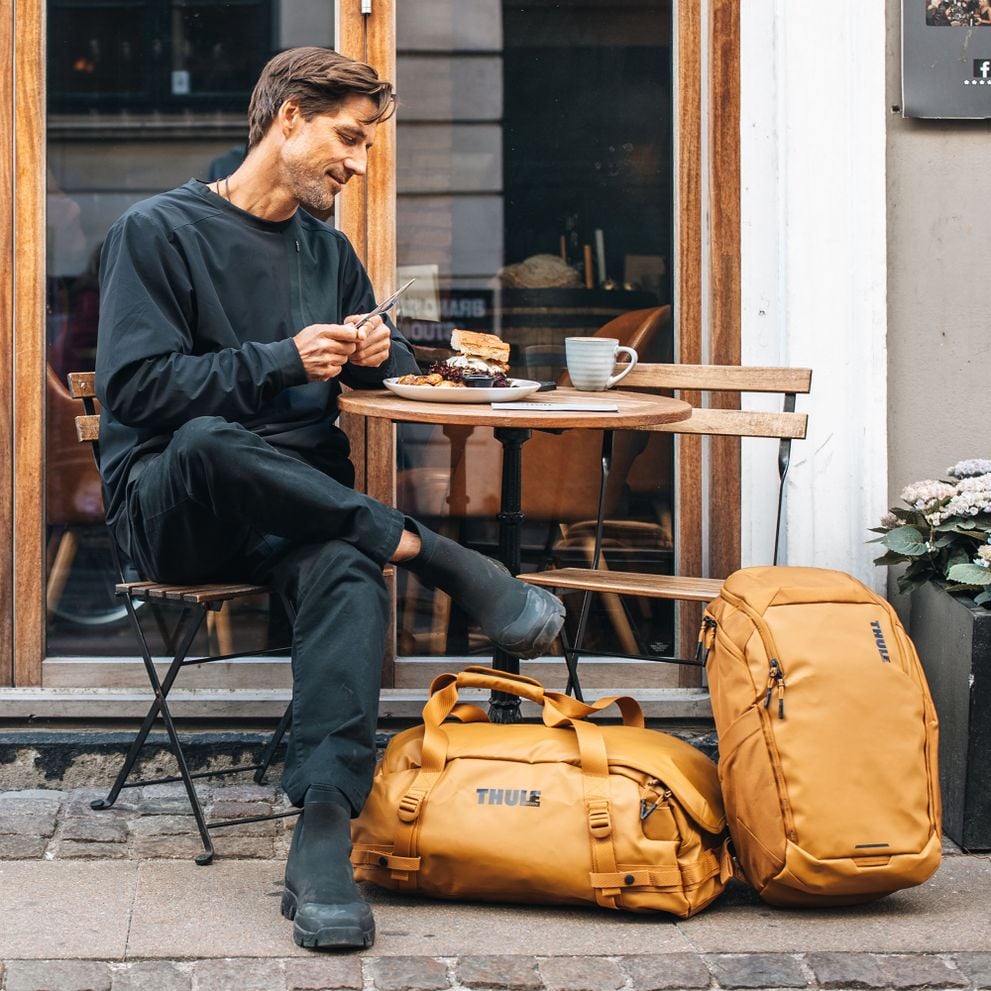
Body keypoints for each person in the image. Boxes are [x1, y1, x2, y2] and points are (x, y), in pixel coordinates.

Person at [94, 46, 564, 951]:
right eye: (347, 139)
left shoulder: (329, 250)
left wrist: (382, 348)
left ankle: (319, 838)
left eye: (365, 146)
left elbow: (379, 369)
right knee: (206, 439)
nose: (356, 162)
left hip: (302, 513)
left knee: (349, 562)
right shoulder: (157, 231)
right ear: (288, 120)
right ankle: (438, 555)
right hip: (178, 511)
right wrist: (278, 359)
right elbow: (136, 391)